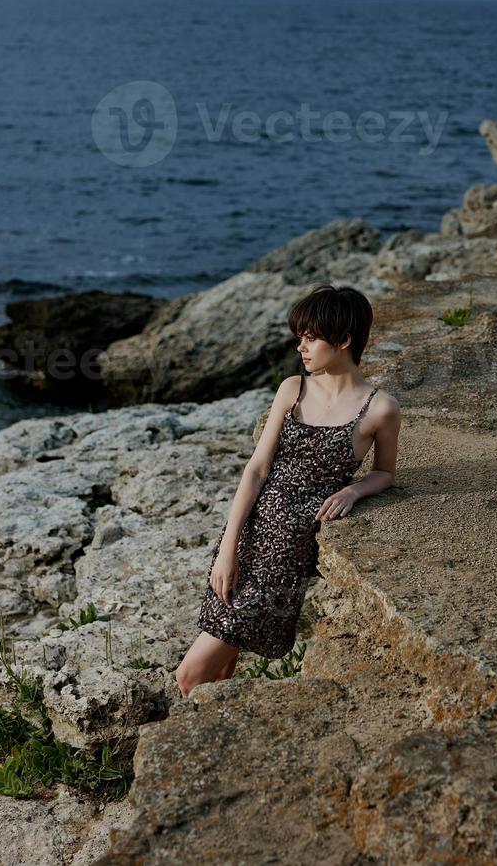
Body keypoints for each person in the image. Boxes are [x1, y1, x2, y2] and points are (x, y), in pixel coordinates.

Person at [175, 283, 401, 697]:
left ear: (344, 339)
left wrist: (354, 491)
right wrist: (227, 547)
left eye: (310, 337)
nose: (302, 347)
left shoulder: (380, 408)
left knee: (189, 676)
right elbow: (257, 470)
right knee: (222, 660)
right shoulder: (292, 389)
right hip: (249, 536)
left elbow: (386, 472)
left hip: (287, 555)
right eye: (300, 337)